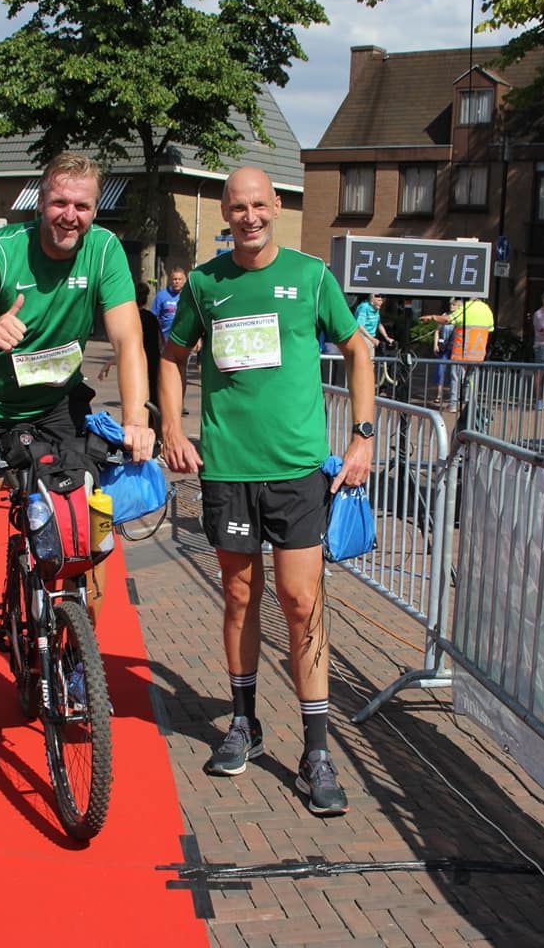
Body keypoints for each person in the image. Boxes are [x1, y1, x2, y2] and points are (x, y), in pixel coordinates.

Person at [159, 166, 374, 817]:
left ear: (276, 206)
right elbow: (172, 356)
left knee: (301, 601)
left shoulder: (311, 277)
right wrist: (171, 427)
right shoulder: (205, 284)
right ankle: (244, 723)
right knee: (239, 596)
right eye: (237, 207)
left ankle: (316, 752)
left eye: (258, 205)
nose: (249, 216)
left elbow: (358, 349)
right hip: (229, 470)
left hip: (297, 471)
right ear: (226, 214)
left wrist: (363, 436)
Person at [0, 151, 155, 743]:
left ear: (94, 208)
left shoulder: (104, 250)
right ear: (40, 201)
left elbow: (128, 338)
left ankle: (76, 661)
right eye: (59, 202)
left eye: (82, 205)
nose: (70, 215)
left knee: (84, 539)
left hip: (56, 406)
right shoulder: (1, 253)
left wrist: (137, 418)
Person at [421, 296, 494, 413]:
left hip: (461, 352)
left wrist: (432, 317)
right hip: (478, 353)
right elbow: (490, 328)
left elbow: (448, 319)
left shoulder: (466, 308)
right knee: (471, 381)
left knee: (456, 378)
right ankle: (468, 405)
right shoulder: (486, 309)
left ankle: (453, 405)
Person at [99, 280, 161, 409]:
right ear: (146, 299)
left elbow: (126, 346)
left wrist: (110, 362)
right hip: (153, 360)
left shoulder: (130, 319)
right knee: (153, 396)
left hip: (136, 362)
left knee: (137, 397)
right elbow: (161, 342)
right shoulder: (152, 318)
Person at [151, 266, 191, 413]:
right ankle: (164, 403)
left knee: (182, 371)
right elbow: (154, 317)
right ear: (170, 280)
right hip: (165, 341)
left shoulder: (188, 296)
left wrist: (198, 339)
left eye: (179, 279)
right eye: (174, 279)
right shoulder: (161, 296)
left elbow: (195, 318)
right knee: (165, 373)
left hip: (184, 340)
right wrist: (158, 337)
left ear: (184, 280)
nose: (176, 282)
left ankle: (180, 403)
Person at [432, 300, 457, 408]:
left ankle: (454, 397)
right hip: (444, 348)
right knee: (440, 370)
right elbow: (437, 331)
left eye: (454, 304)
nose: (451, 306)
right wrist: (435, 344)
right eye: (450, 304)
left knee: (454, 373)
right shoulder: (444, 316)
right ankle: (439, 395)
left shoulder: (460, 317)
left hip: (455, 348)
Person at [354, 293, 394, 359]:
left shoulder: (376, 308)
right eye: (379, 300)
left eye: (381, 300)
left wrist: (387, 337)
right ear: (372, 302)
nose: (381, 302)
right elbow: (360, 326)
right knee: (368, 357)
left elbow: (379, 324)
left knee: (372, 358)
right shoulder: (364, 307)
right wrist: (372, 339)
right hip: (361, 336)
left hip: (370, 337)